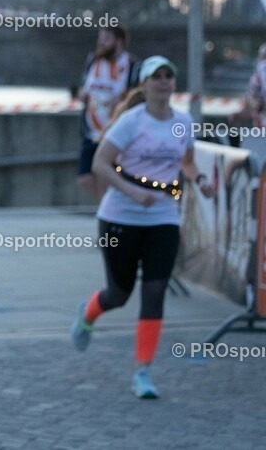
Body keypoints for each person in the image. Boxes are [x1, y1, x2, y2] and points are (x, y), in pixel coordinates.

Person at [70, 56, 216, 399]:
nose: (164, 82)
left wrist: (201, 179)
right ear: (145, 84)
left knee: (154, 291)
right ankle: (88, 314)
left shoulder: (182, 122)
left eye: (169, 76)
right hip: (120, 217)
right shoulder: (131, 122)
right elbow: (100, 164)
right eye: (157, 77)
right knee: (118, 295)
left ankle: (143, 371)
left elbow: (188, 163)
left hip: (163, 217)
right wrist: (132, 192)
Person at [76, 26, 140, 201]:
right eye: (100, 38)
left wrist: (120, 100)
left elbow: (137, 94)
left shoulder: (130, 64)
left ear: (118, 41)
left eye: (105, 39)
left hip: (113, 131)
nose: (101, 43)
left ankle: (105, 212)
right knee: (84, 178)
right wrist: (82, 94)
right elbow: (86, 86)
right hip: (91, 129)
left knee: (106, 176)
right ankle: (103, 206)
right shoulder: (93, 60)